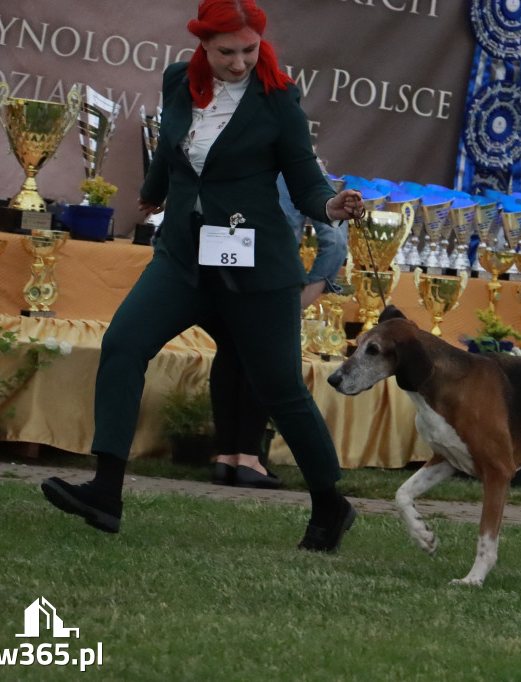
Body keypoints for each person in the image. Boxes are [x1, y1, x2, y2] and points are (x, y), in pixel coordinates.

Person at [40, 0, 364, 553]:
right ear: (202, 46)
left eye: (248, 49)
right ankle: (106, 493)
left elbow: (303, 173)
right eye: (226, 52)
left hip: (258, 262)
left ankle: (331, 505)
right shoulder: (176, 81)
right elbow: (173, 147)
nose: (240, 62)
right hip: (186, 256)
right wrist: (153, 192)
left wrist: (328, 207)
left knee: (279, 387)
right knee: (123, 344)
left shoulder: (279, 96)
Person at [209, 170, 348, 489]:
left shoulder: (225, 150)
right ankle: (248, 458)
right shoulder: (293, 157)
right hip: (273, 271)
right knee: (264, 362)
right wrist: (312, 291)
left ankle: (226, 457)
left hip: (220, 263)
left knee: (230, 352)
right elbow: (335, 240)